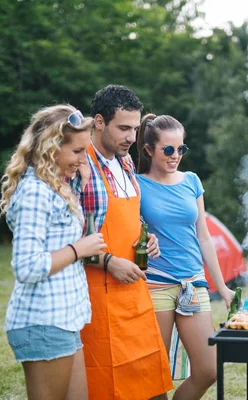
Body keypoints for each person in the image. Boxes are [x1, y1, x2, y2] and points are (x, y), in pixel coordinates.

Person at [0, 104, 107, 399]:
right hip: (43, 320)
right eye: (77, 151)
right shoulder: (35, 192)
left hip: (64, 319)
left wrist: (79, 183)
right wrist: (78, 249)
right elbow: (27, 267)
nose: (83, 159)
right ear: (51, 148)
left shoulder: (57, 186)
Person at [71, 85, 173, 399]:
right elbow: (67, 238)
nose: (132, 137)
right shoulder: (79, 166)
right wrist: (110, 262)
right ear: (98, 122)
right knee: (107, 386)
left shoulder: (126, 163)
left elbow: (130, 218)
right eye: (124, 128)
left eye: (135, 128)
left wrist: (147, 236)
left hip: (135, 291)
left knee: (152, 384)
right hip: (97, 295)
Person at [135, 114, 235, 399]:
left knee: (210, 369)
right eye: (168, 149)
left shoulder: (191, 181)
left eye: (181, 149)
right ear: (149, 150)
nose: (175, 155)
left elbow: (203, 236)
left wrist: (223, 287)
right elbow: (132, 234)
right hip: (156, 285)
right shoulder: (137, 185)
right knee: (155, 378)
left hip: (194, 284)